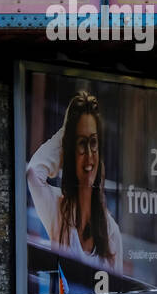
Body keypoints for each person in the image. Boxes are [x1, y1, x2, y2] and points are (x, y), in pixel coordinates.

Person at [26, 90, 122, 275]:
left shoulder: (112, 233)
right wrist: (66, 133)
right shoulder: (57, 209)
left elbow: (118, 291)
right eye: (81, 143)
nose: (88, 155)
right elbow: (33, 172)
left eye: (93, 142)